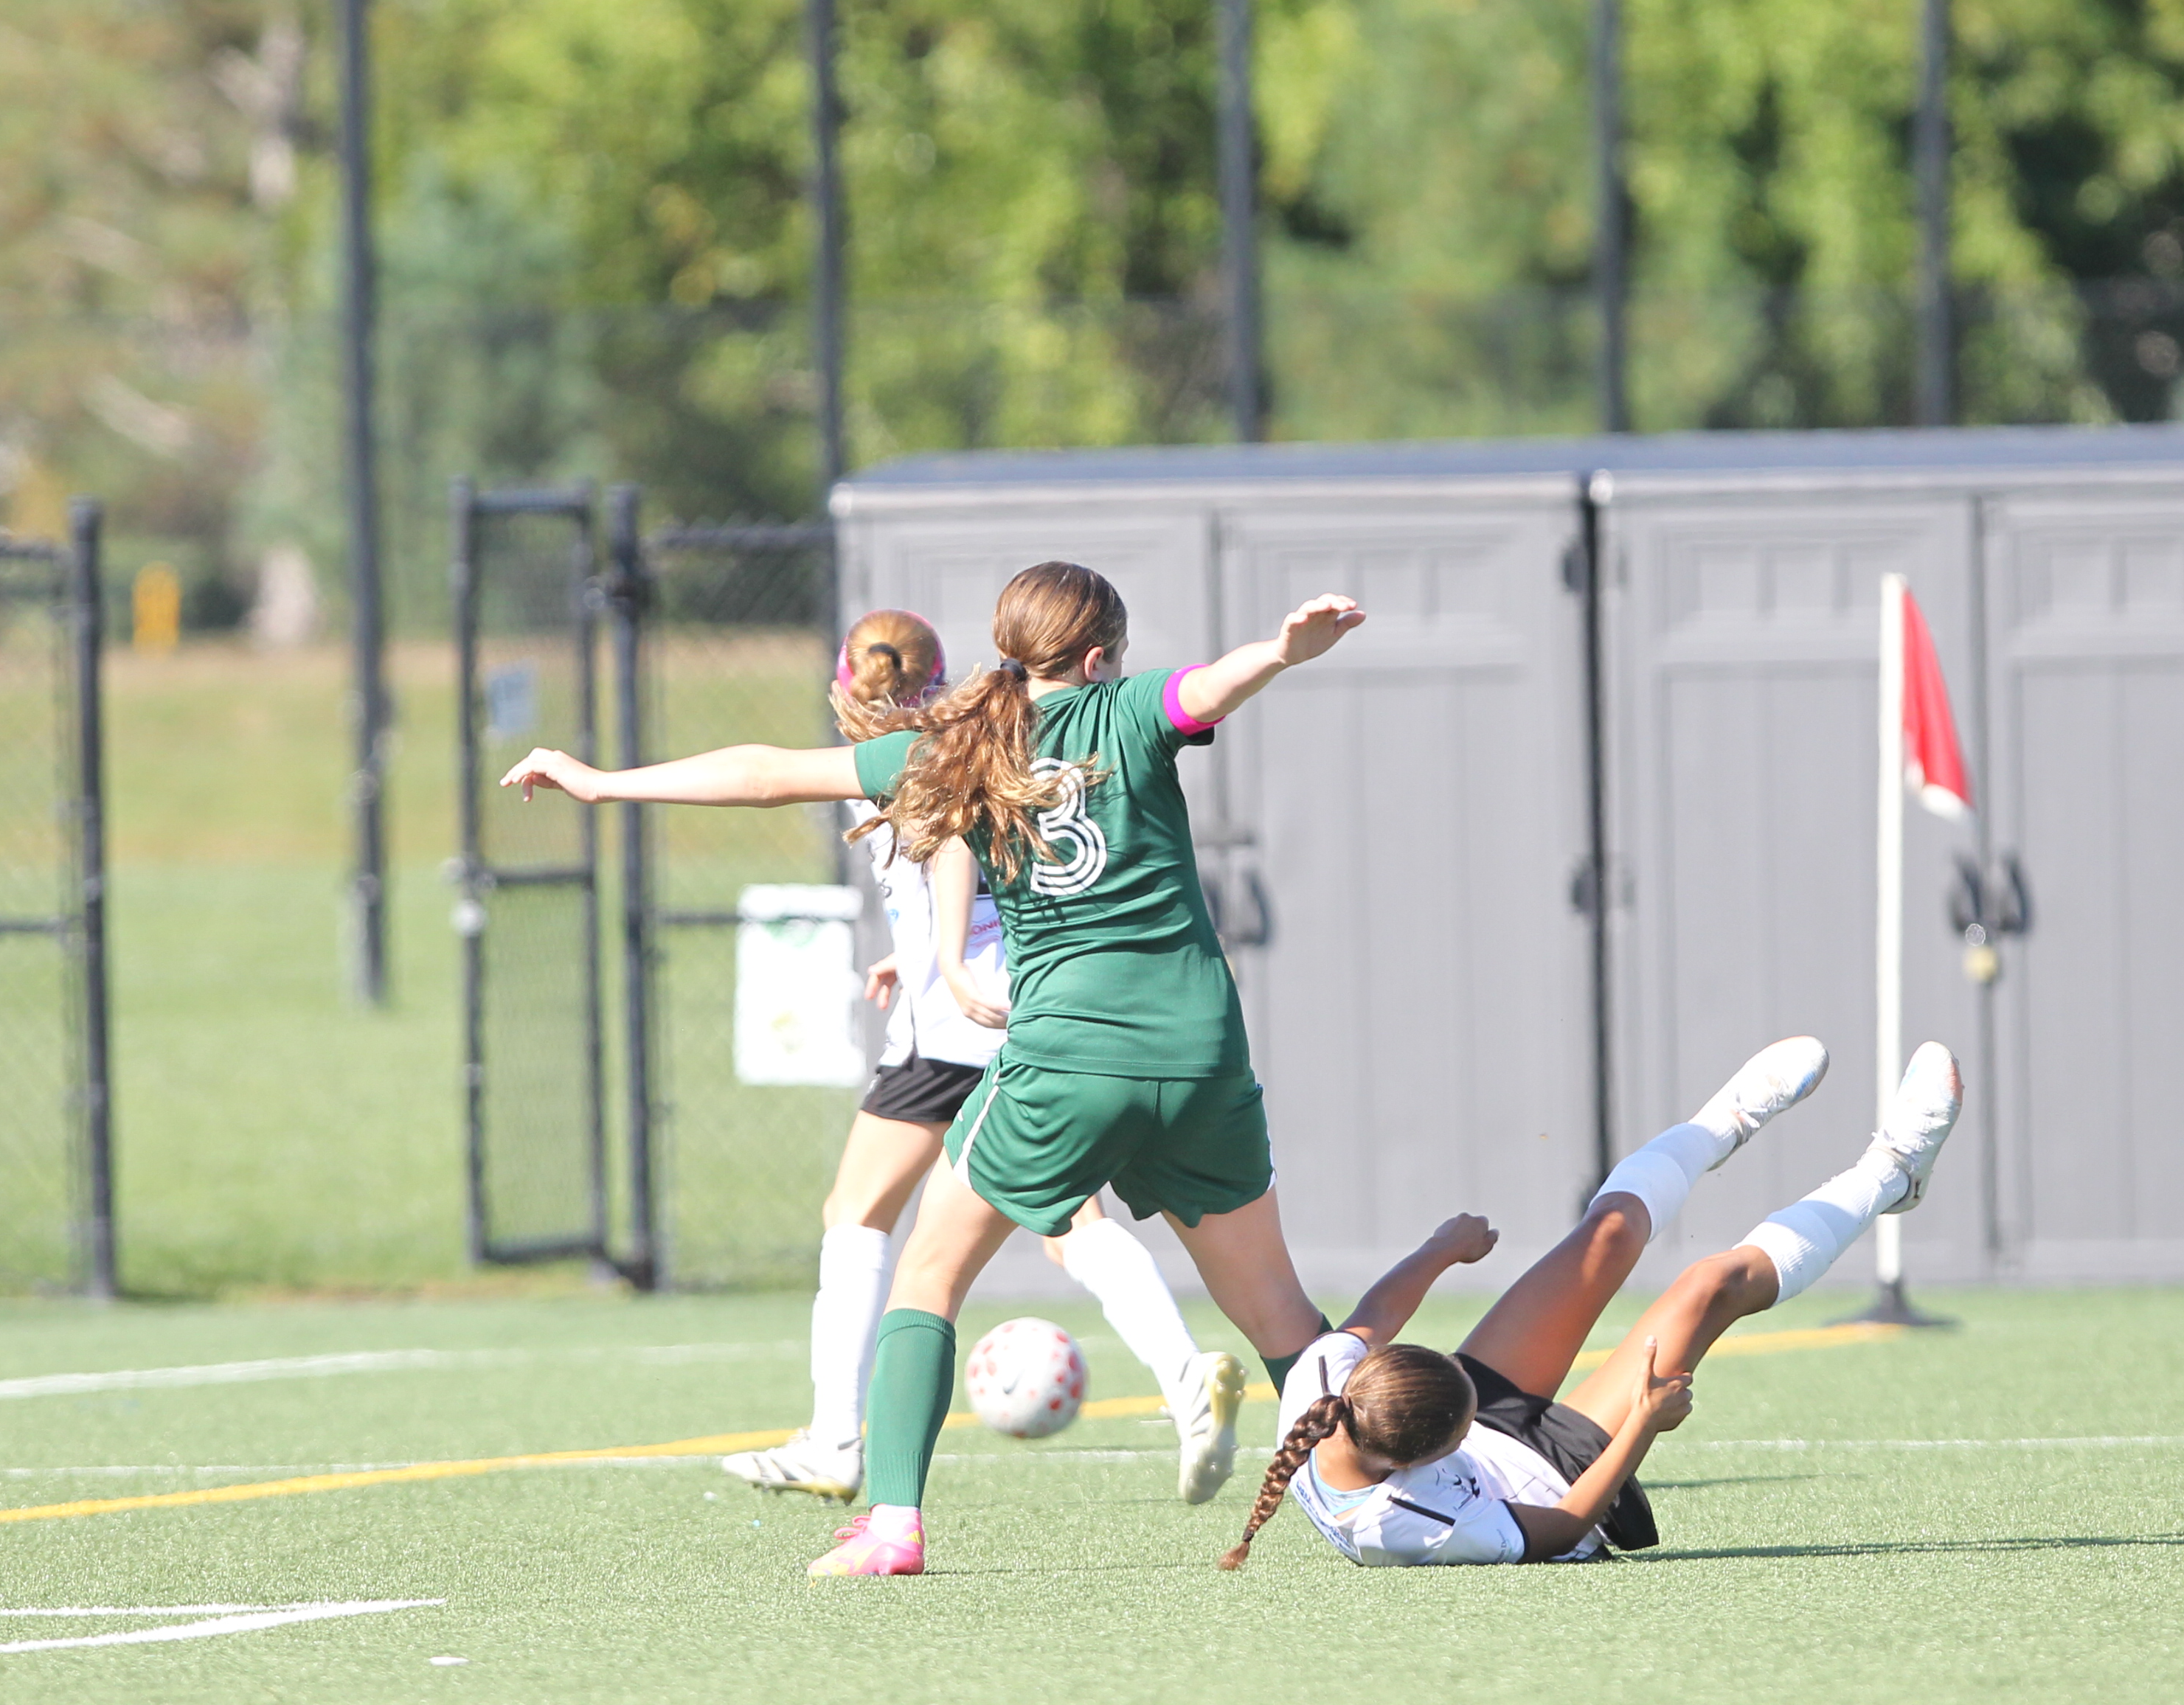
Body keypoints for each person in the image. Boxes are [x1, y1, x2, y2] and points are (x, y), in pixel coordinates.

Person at [505, 560, 1365, 1577]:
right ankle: (1388, 1490)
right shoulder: (1129, 711)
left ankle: (893, 1527)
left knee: (926, 1274)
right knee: (1278, 1314)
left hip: (1066, 1059)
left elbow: (768, 773)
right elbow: (1212, 686)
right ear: (1100, 657)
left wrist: (602, 782)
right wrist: (1283, 652)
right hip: (1201, 1056)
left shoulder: (954, 744)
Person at [715, 608, 1252, 1508]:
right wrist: (923, 952)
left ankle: (838, 1440)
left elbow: (939, 846)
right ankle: (1182, 1375)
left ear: (844, 687)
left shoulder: (916, 753)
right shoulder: (986, 730)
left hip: (958, 1021)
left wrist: (945, 958)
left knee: (866, 1215)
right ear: (938, 677)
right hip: (1017, 1005)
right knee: (1066, 1222)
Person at [1220, 1036, 1962, 1569]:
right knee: (1708, 1288)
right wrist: (1642, 1422)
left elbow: (1374, 1316)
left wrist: (1440, 1251)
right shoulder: (1406, 1524)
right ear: (1422, 1458)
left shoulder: (1327, 1386)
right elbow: (1566, 1523)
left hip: (1455, 1431)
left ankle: (1724, 1124)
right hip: (1554, 1477)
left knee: (1605, 1235)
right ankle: (1894, 1172)